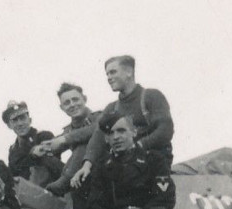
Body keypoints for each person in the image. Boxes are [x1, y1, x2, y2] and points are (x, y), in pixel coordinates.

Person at [70, 55, 174, 191]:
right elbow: (98, 138)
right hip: (123, 162)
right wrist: (86, 166)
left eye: (113, 72)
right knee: (84, 183)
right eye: (107, 74)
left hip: (152, 160)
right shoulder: (112, 108)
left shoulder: (151, 96)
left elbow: (165, 130)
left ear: (129, 72)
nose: (109, 78)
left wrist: (137, 147)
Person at [36, 82, 101, 209]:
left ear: (84, 99)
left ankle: (63, 182)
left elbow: (97, 130)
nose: (72, 105)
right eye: (67, 103)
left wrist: (65, 139)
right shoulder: (67, 130)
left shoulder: (100, 117)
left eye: (75, 99)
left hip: (103, 173)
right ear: (62, 107)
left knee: (85, 143)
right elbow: (54, 144)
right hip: (80, 182)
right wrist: (40, 149)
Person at [2, 100, 64, 188]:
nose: (20, 123)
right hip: (25, 193)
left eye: (23, 118)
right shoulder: (13, 150)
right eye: (15, 120)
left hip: (51, 189)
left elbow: (53, 165)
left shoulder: (44, 136)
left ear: (30, 120)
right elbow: (13, 175)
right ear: (9, 125)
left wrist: (32, 156)